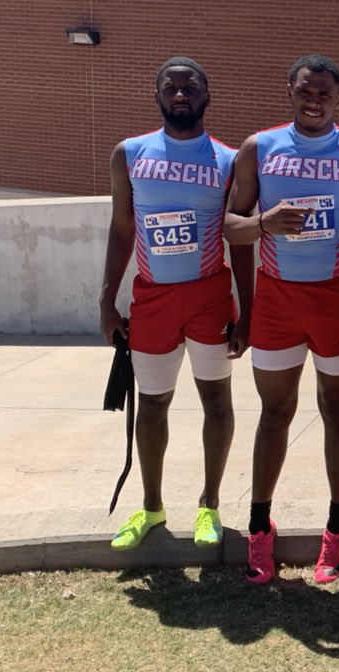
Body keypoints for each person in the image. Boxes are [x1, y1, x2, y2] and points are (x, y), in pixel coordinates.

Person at [224, 54, 339, 585]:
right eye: (303, 91)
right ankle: (258, 527)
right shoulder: (259, 147)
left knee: (336, 407)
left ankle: (337, 528)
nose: (312, 100)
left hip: (337, 297)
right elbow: (228, 226)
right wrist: (264, 223)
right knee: (275, 412)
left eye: (323, 93)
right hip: (276, 299)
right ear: (289, 92)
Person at [99, 56, 247, 551]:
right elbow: (122, 229)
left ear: (207, 97)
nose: (180, 94)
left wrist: (245, 307)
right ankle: (152, 507)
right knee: (153, 404)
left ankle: (209, 505)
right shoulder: (130, 153)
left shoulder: (227, 160)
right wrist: (106, 299)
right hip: (153, 298)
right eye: (171, 87)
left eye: (190, 87)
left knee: (216, 401)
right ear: (157, 95)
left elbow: (240, 237)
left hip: (208, 294)